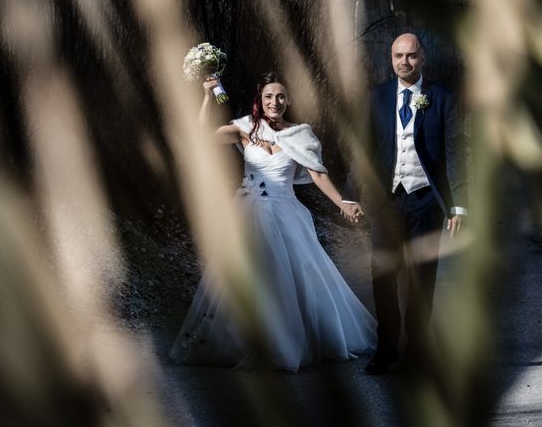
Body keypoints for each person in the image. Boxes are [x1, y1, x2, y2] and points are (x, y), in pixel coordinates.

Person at [169, 72, 376, 372]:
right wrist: (206, 96)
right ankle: (246, 342)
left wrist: (342, 202)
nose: (274, 102)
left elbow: (318, 174)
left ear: (288, 100)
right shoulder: (245, 128)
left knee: (293, 279)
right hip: (248, 212)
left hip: (286, 213)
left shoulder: (300, 135)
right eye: (268, 97)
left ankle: (287, 344)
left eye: (280, 96)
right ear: (260, 99)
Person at [343, 33, 468, 375]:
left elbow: (456, 153)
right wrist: (351, 194)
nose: (404, 62)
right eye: (398, 55)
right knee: (382, 274)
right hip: (387, 201)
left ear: (422, 57)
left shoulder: (443, 98)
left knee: (422, 277)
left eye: (411, 56)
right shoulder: (376, 97)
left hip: (426, 201)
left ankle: (417, 349)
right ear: (391, 58)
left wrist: (459, 205)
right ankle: (386, 348)